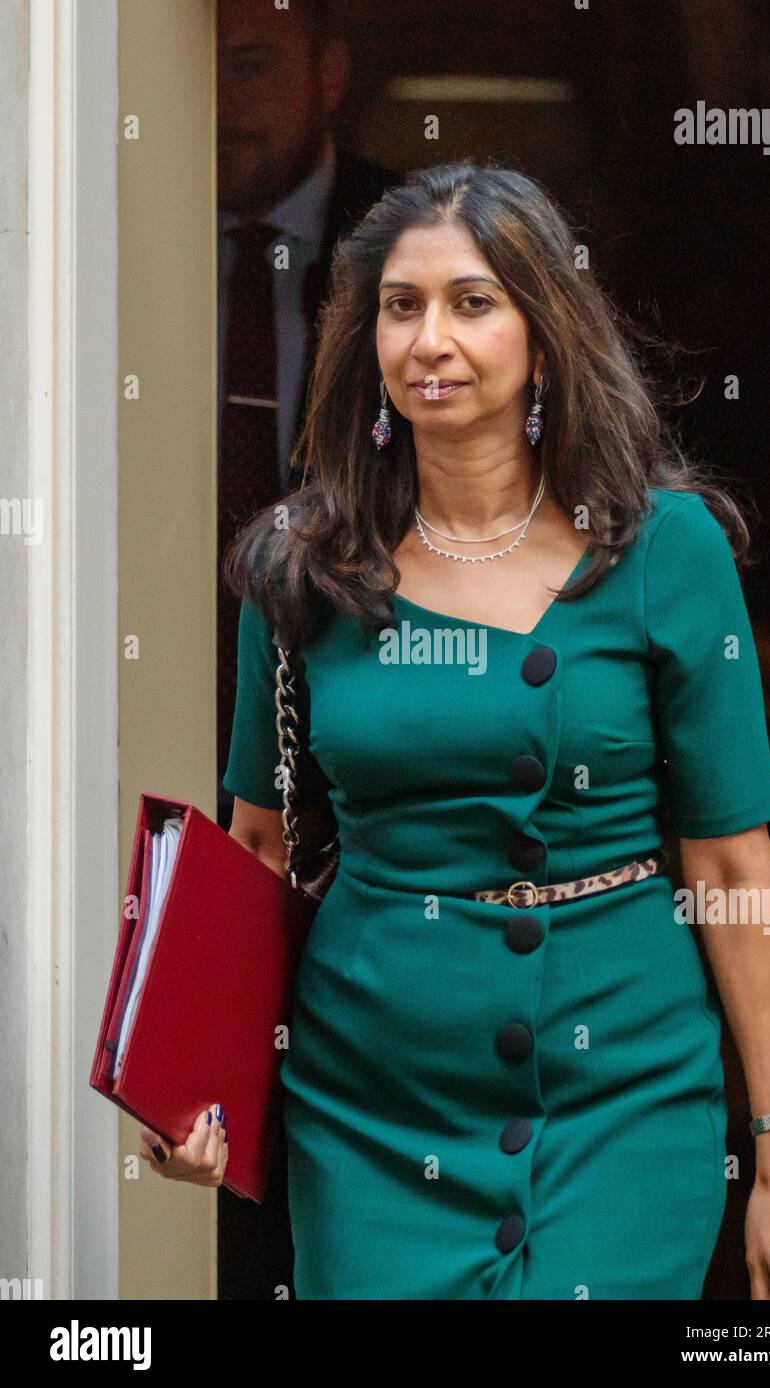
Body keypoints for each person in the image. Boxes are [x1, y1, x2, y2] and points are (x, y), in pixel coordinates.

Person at [141, 160, 770, 1301]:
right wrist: (191, 1081)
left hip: (624, 1092)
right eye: (399, 306)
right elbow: (255, 846)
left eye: (472, 302)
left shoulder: (664, 550)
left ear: (541, 330)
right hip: (372, 1105)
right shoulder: (299, 568)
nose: (429, 338)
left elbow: (726, 862)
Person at [216, 0, 397, 829]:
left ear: (330, 76)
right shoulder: (93, 233)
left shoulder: (407, 243)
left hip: (361, 687)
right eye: (201, 68)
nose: (218, 98)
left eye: (250, 64)